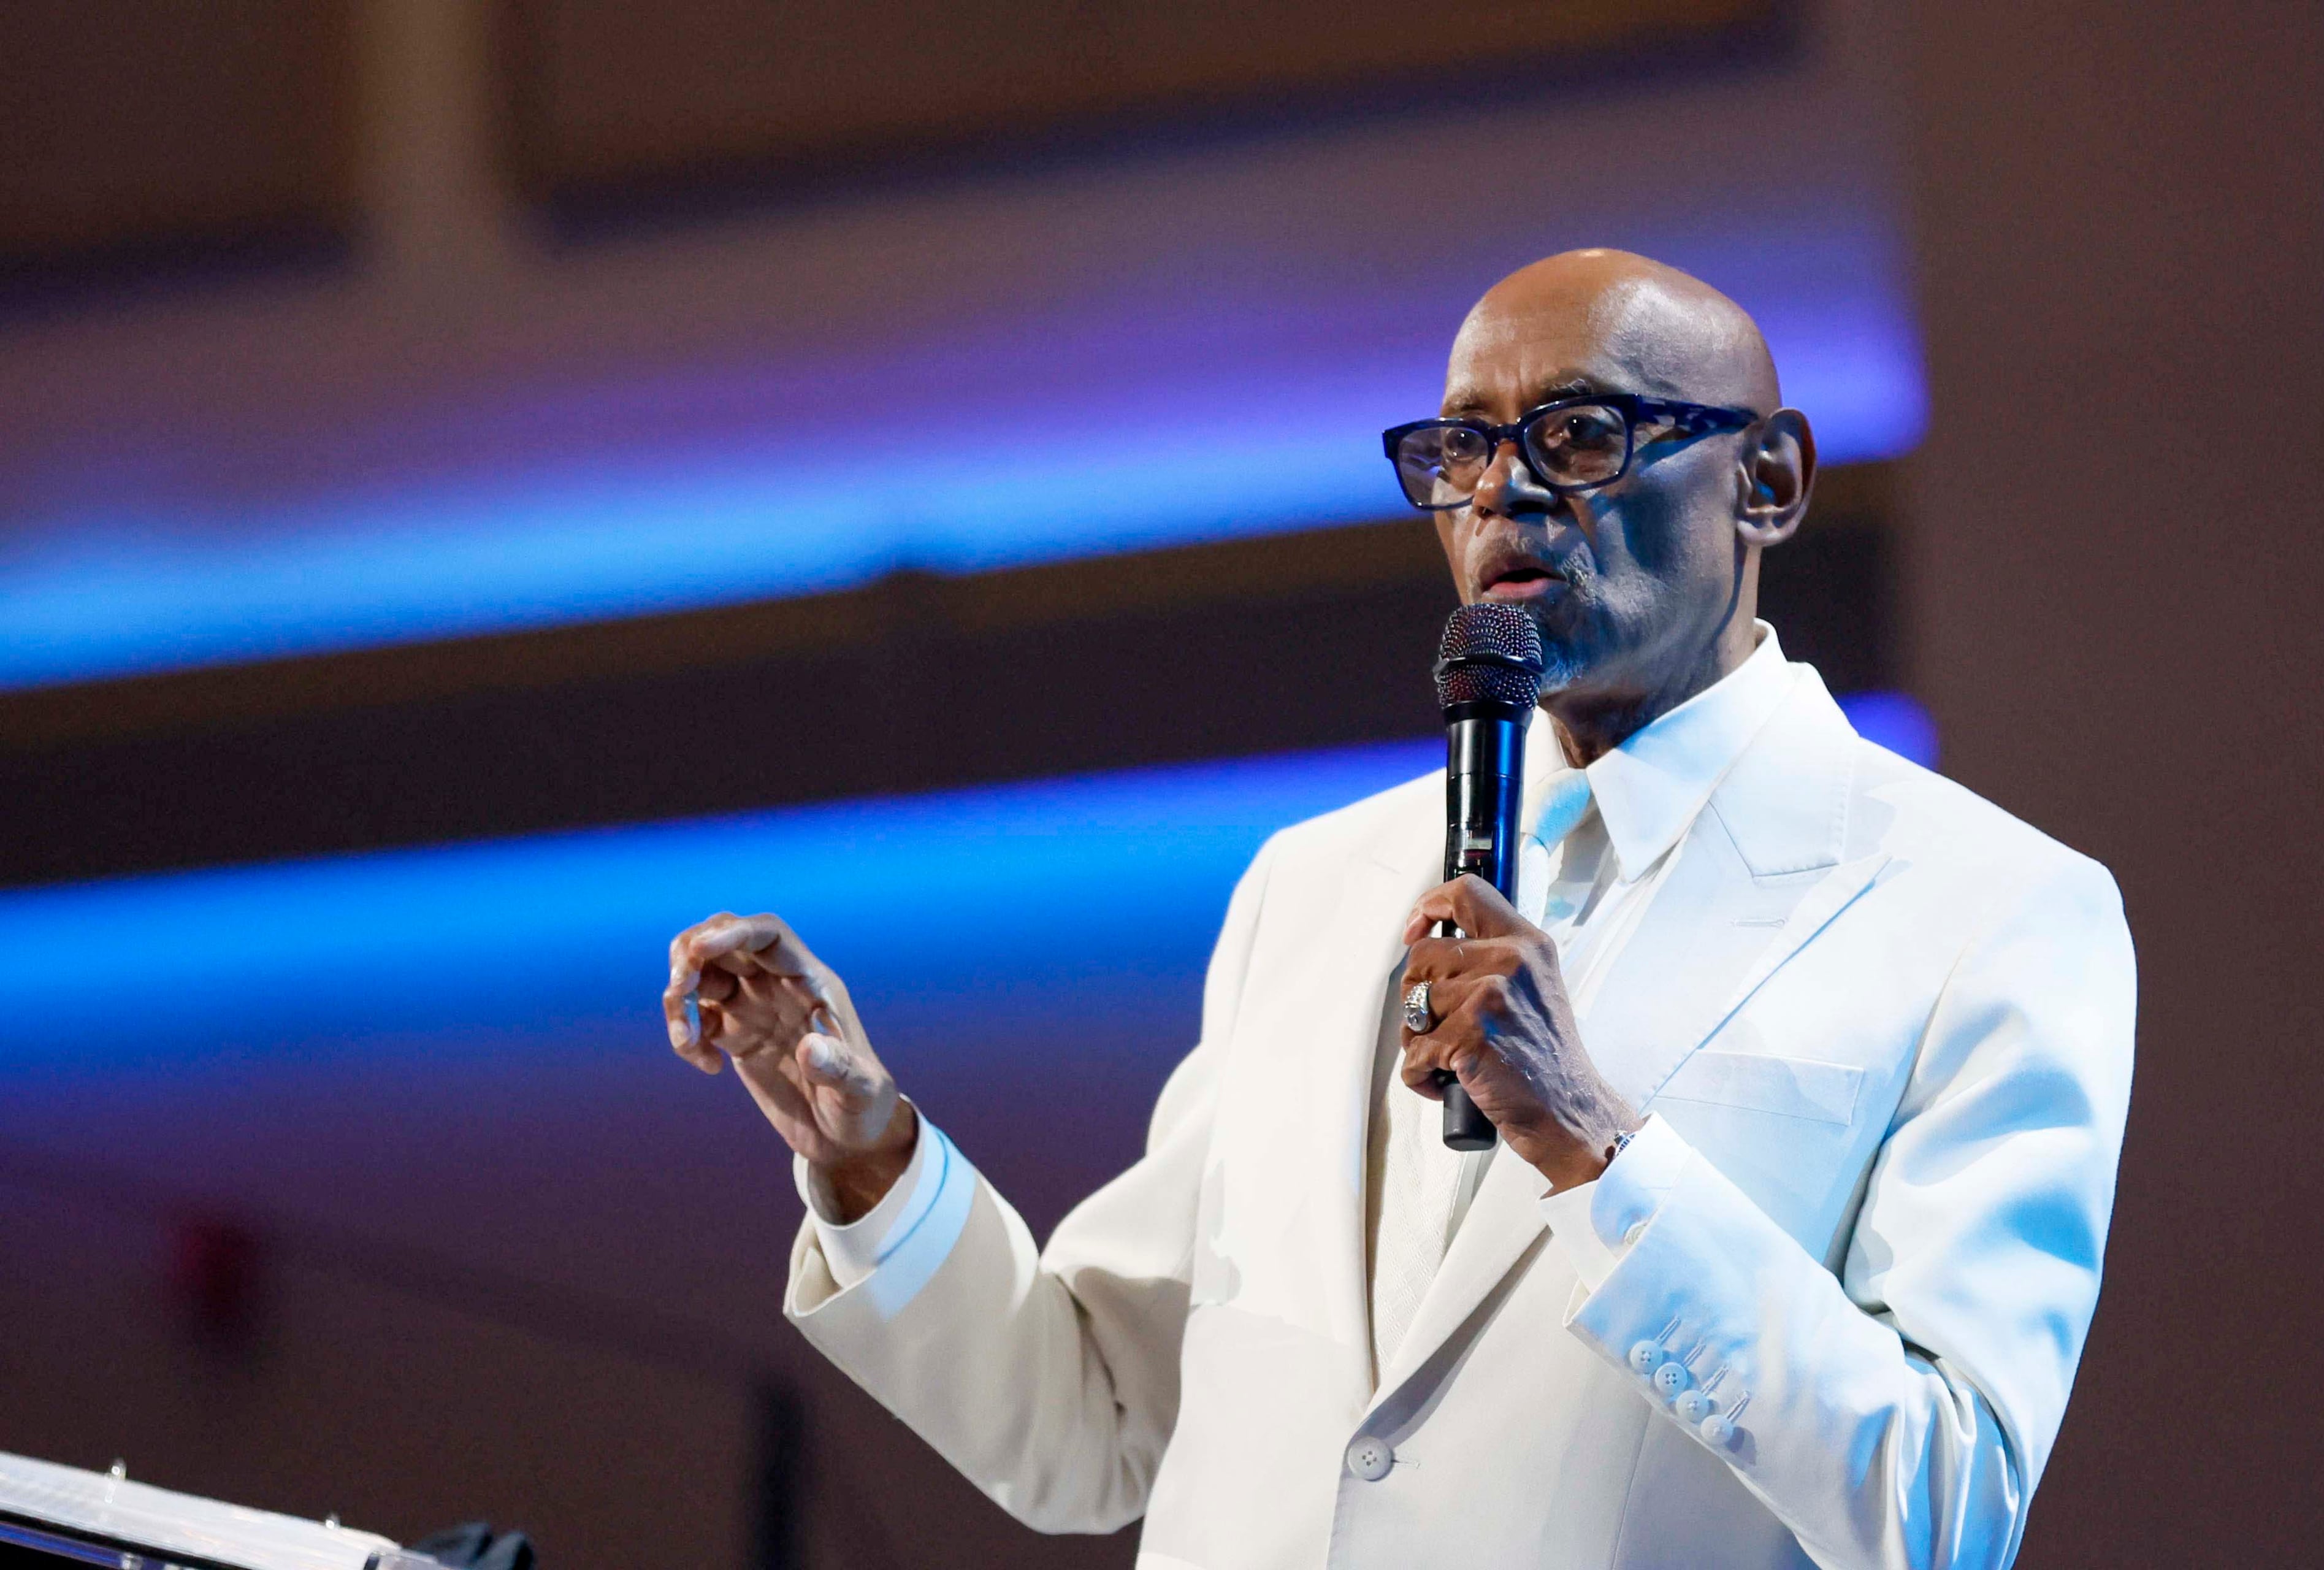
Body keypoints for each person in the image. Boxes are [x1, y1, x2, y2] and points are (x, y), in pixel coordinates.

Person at [661, 249, 2134, 1570]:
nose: (1503, 492)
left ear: (1770, 480)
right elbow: (1094, 1422)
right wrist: (871, 1161)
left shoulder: (1985, 908)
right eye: (1462, 449)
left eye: (1579, 434)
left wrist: (1597, 1148)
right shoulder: (1315, 883)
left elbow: (1944, 1507)